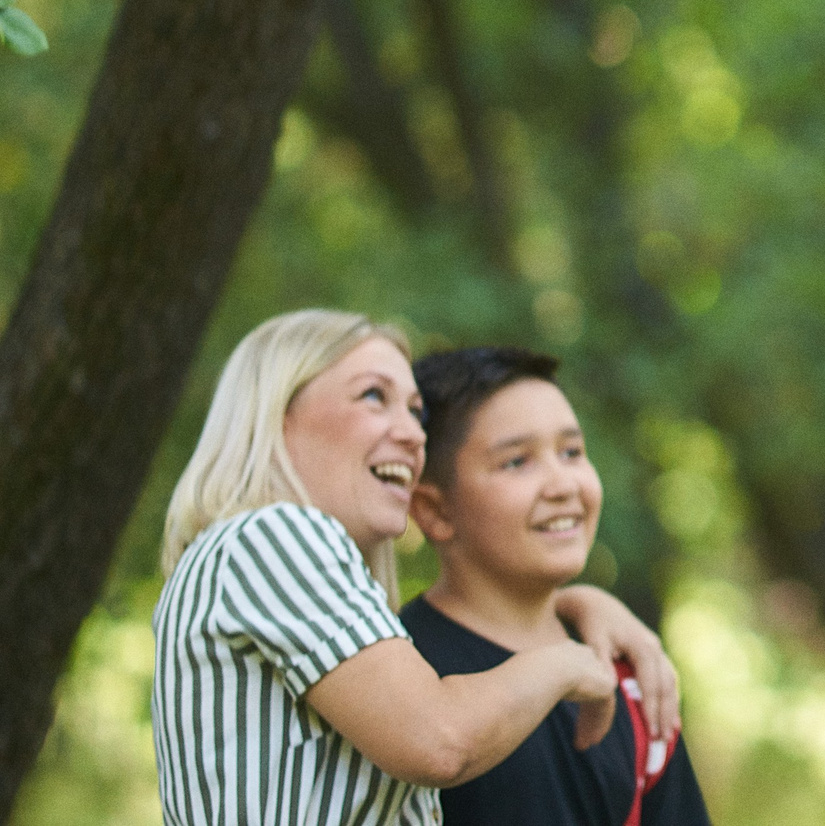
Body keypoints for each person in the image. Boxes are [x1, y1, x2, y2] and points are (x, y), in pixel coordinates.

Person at [153, 310, 680, 826]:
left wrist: (578, 603)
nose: (412, 435)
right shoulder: (274, 536)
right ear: (277, 414)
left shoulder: (250, 556)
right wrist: (569, 664)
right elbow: (441, 742)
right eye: (373, 396)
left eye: (415, 412)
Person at [400, 345, 714, 826]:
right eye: (516, 462)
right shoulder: (398, 678)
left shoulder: (633, 678)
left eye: (572, 452)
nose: (563, 485)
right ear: (434, 510)